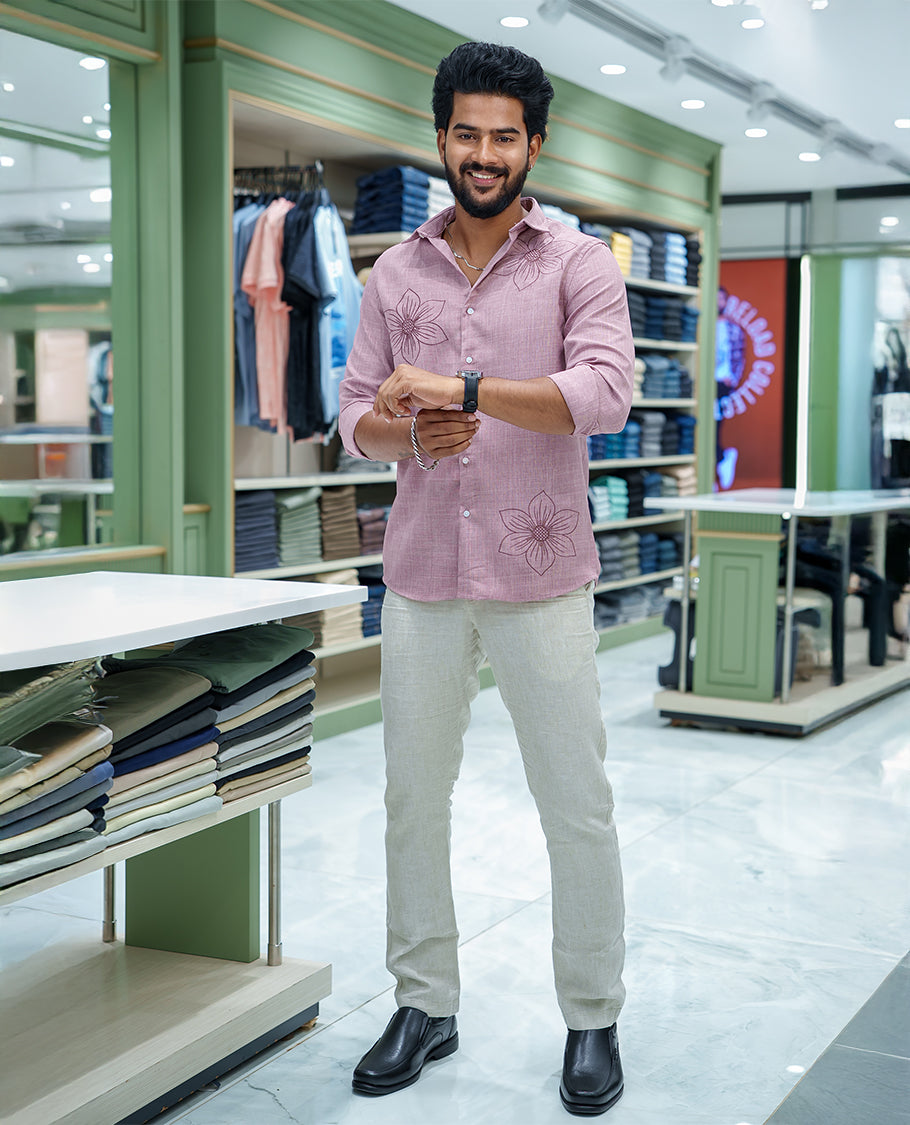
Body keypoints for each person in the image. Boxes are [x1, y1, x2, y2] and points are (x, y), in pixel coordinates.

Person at [338, 40, 634, 1117]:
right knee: (414, 802)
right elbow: (356, 420)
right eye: (466, 133)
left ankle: (592, 1017)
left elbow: (604, 394)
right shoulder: (393, 273)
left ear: (533, 146)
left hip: (542, 573)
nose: (483, 152)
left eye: (503, 136)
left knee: (577, 806)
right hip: (422, 576)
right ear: (440, 140)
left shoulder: (578, 265)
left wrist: (468, 384)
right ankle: (426, 1003)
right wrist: (410, 429)